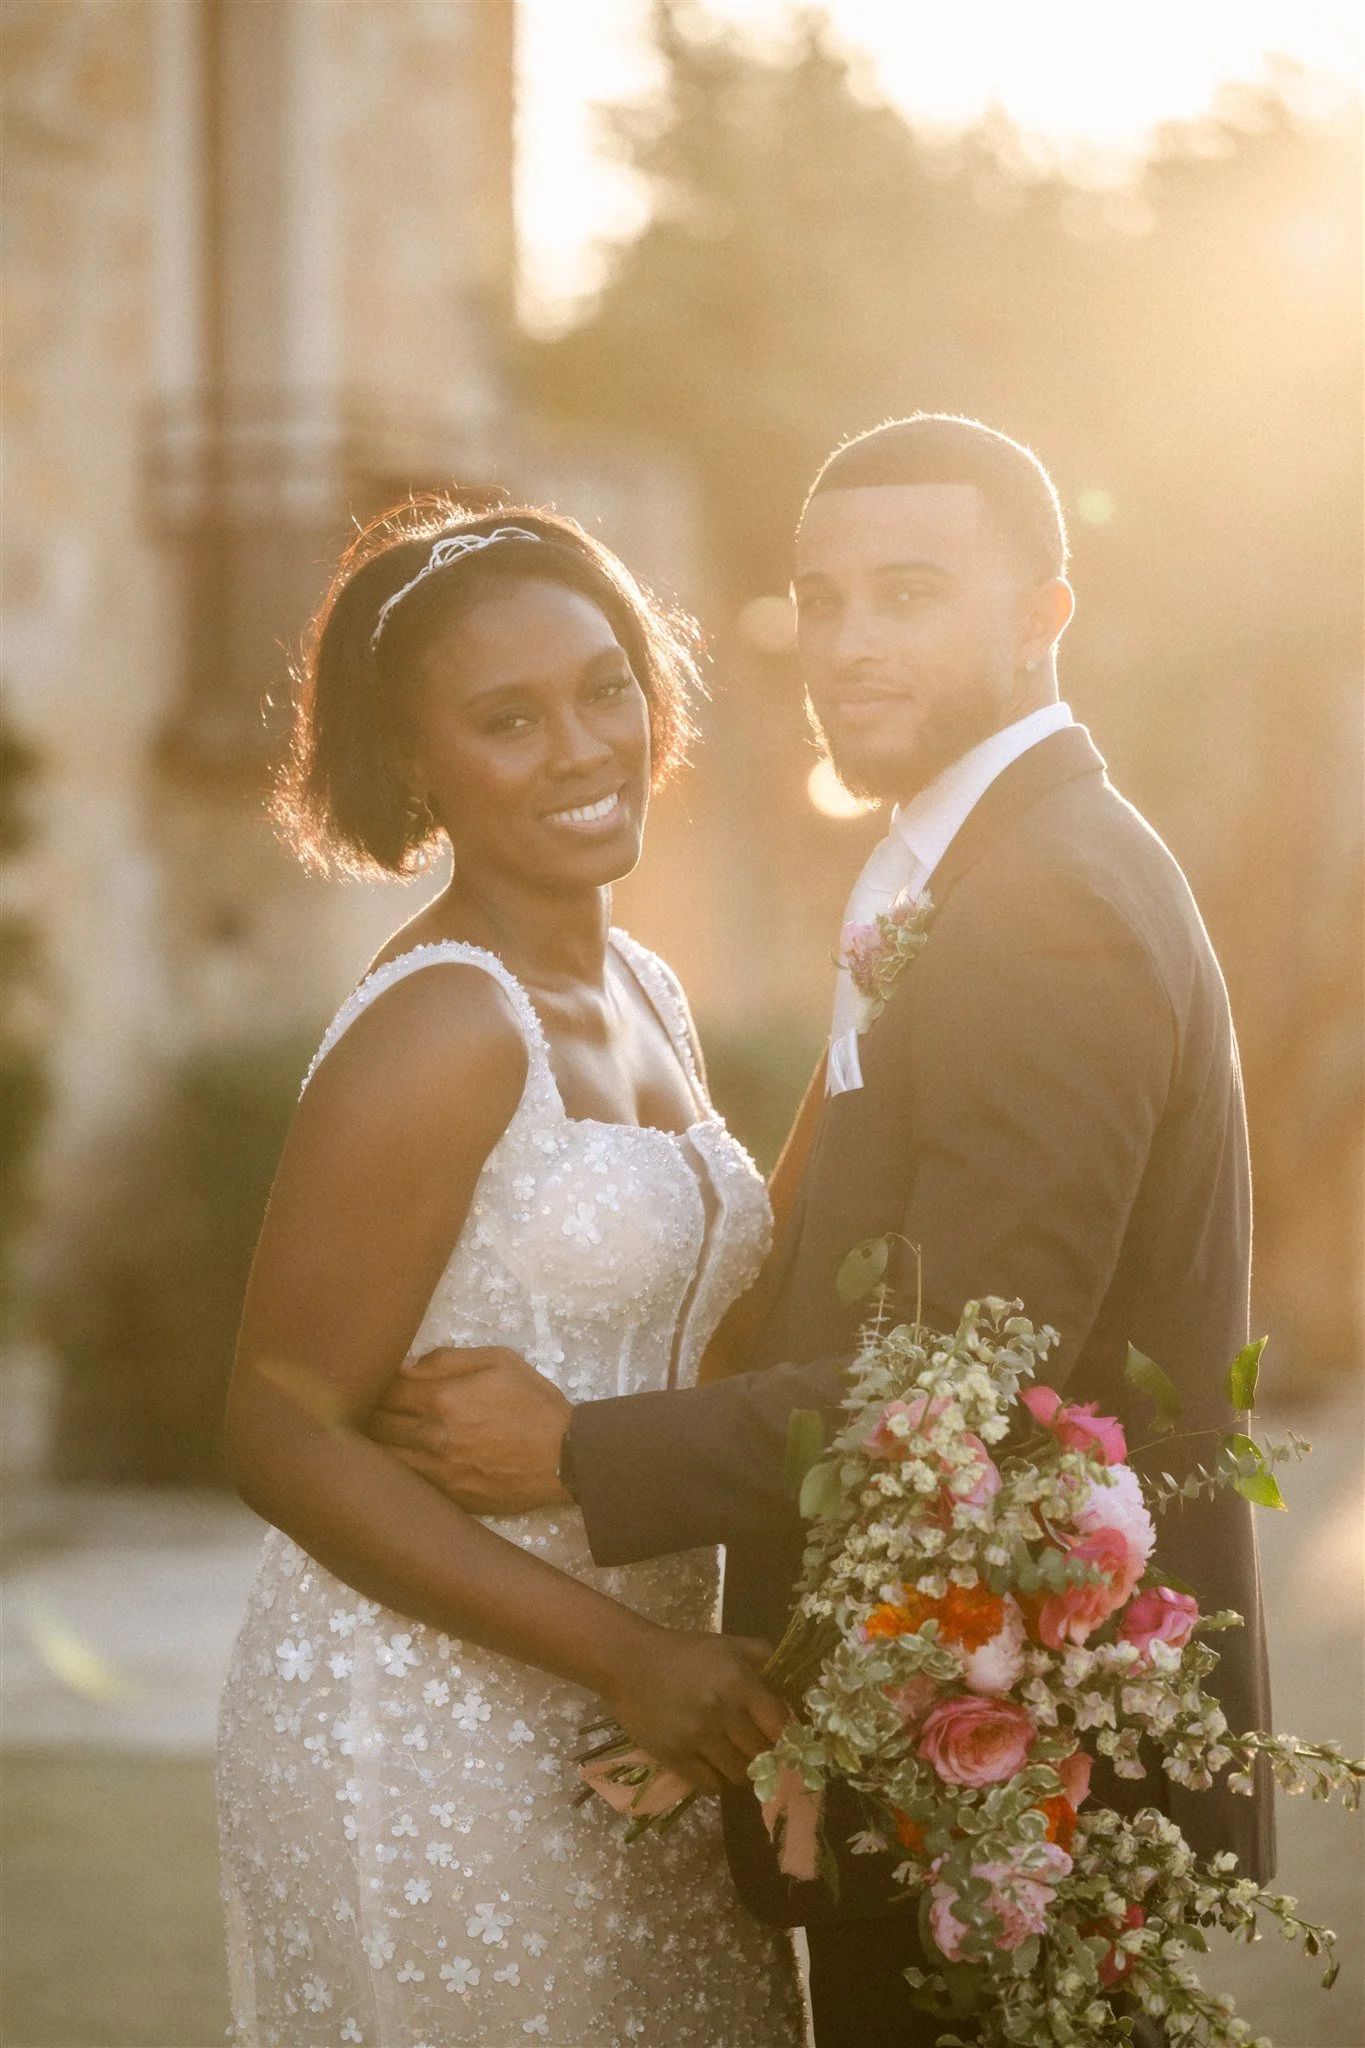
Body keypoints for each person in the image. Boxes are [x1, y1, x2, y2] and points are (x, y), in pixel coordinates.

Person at [368, 416, 1275, 2048]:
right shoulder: (968, 865)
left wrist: (580, 1447)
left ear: (1042, 616)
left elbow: (965, 1390)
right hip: (920, 1745)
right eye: (822, 602)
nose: (849, 648)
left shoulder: (1046, 901)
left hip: (1031, 1790)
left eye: (911, 595)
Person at [216, 503, 807, 2047]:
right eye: (507, 719)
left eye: (607, 687)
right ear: (417, 764)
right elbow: (276, 1430)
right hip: (427, 1725)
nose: (581, 747)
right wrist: (627, 1656)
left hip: (655, 1721)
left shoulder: (645, 988)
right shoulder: (445, 1026)